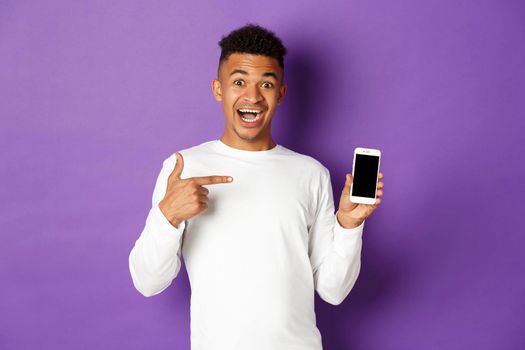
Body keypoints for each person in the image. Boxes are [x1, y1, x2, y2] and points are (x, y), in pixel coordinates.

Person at [128, 23, 384, 350]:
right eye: (238, 82)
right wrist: (167, 217)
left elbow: (333, 291)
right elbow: (148, 282)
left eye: (266, 83)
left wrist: (349, 226)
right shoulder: (184, 168)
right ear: (218, 89)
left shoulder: (311, 174)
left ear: (281, 94)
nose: (252, 96)